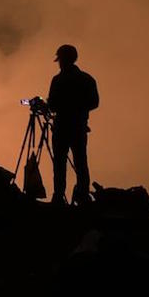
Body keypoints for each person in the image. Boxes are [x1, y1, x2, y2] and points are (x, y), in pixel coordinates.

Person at [47, 44, 99, 205]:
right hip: (79, 128)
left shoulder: (58, 80)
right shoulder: (87, 79)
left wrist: (56, 106)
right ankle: (82, 196)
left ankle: (58, 196)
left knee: (59, 164)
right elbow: (94, 102)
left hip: (62, 128)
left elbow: (53, 105)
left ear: (62, 60)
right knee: (81, 162)